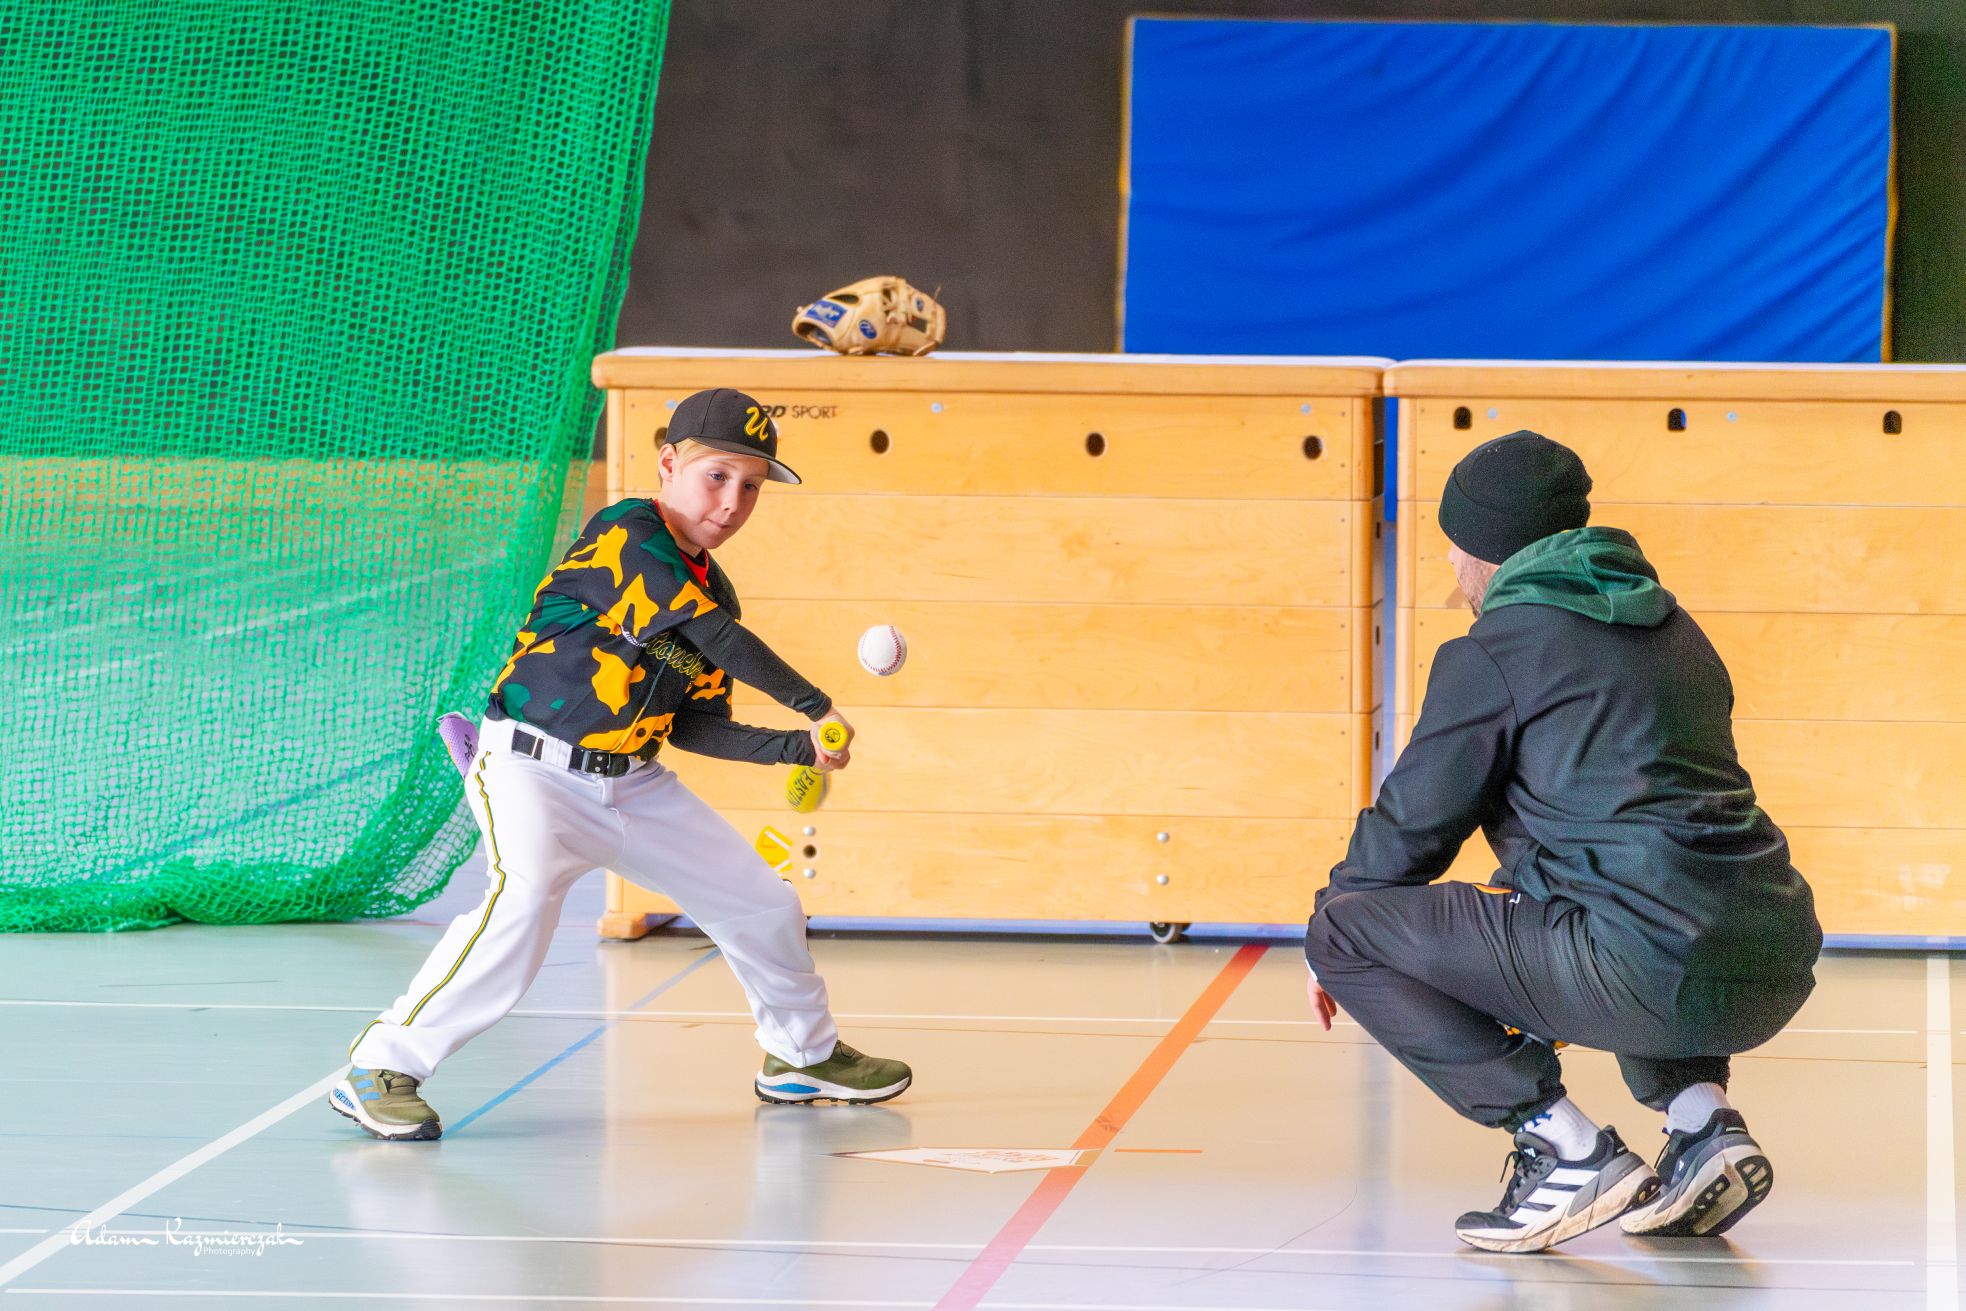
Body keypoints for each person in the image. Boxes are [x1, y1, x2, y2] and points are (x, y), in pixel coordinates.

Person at [332, 387, 911, 1141]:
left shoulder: (716, 591)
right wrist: (814, 703)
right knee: (521, 905)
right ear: (668, 463)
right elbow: (715, 637)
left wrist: (802, 748)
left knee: (764, 905)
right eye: (716, 475)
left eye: (751, 486)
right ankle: (379, 1066)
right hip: (532, 770)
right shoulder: (626, 534)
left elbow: (697, 726)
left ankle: (802, 1056)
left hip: (631, 782)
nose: (732, 501)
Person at [1304, 431, 1820, 1253]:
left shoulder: (1498, 649)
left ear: (1493, 550)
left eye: (1456, 542)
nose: (1449, 559)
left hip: (1647, 967)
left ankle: (1563, 1147)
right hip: (1772, 951)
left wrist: (1332, 933)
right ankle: (1703, 1124)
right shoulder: (1676, 630)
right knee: (1620, 894)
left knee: (1344, 927)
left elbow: (1409, 831)